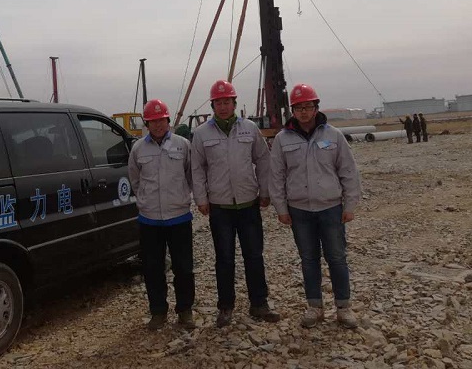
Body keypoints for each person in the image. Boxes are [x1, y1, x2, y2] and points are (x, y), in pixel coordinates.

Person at [269, 83, 362, 329]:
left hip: (330, 209)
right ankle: (314, 307)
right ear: (292, 110)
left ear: (316, 108)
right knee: (309, 259)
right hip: (299, 211)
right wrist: (281, 208)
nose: (303, 112)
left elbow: (348, 171)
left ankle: (343, 307)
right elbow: (276, 176)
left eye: (307, 107)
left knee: (337, 258)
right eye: (298, 108)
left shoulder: (333, 136)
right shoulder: (282, 139)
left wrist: (350, 205)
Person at [191, 79, 280, 327]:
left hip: (248, 204)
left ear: (234, 103)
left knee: (254, 256)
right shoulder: (201, 134)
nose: (223, 107)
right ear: (212, 105)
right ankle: (225, 307)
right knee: (224, 259)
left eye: (227, 102)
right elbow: (197, 168)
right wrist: (201, 199)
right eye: (218, 102)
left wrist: (265, 191)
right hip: (220, 207)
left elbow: (263, 160)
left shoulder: (249, 129)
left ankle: (259, 304)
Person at [128, 99, 196, 330]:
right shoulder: (138, 149)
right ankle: (158, 312)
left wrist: (182, 197)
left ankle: (185, 311)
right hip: (150, 220)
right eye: (153, 121)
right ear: (147, 124)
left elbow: (191, 175)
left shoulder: (183, 145)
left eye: (161, 120)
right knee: (153, 268)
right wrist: (146, 201)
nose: (158, 125)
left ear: (168, 121)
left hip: (179, 216)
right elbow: (135, 180)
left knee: (183, 267)